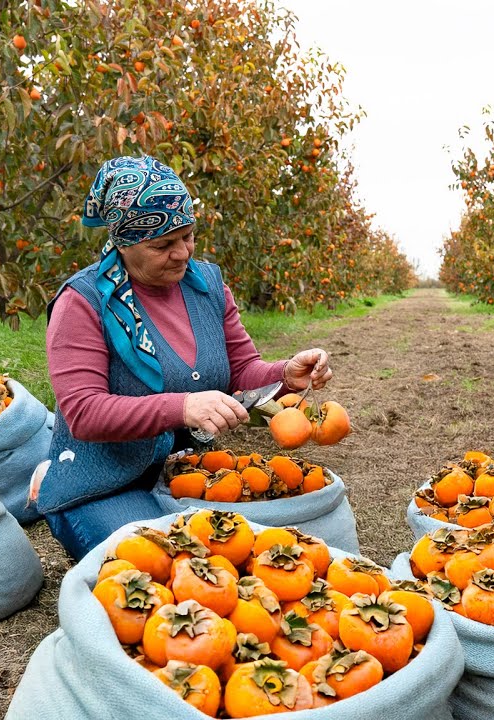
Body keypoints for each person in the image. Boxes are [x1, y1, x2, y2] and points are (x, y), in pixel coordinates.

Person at [36, 155, 333, 560]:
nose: (182, 254)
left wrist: (285, 374)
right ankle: (53, 482)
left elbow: (242, 370)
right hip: (102, 485)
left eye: (188, 236)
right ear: (123, 242)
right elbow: (84, 412)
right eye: (162, 245)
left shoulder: (206, 285)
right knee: (172, 564)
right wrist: (184, 407)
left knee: (250, 557)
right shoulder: (84, 302)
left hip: (187, 475)